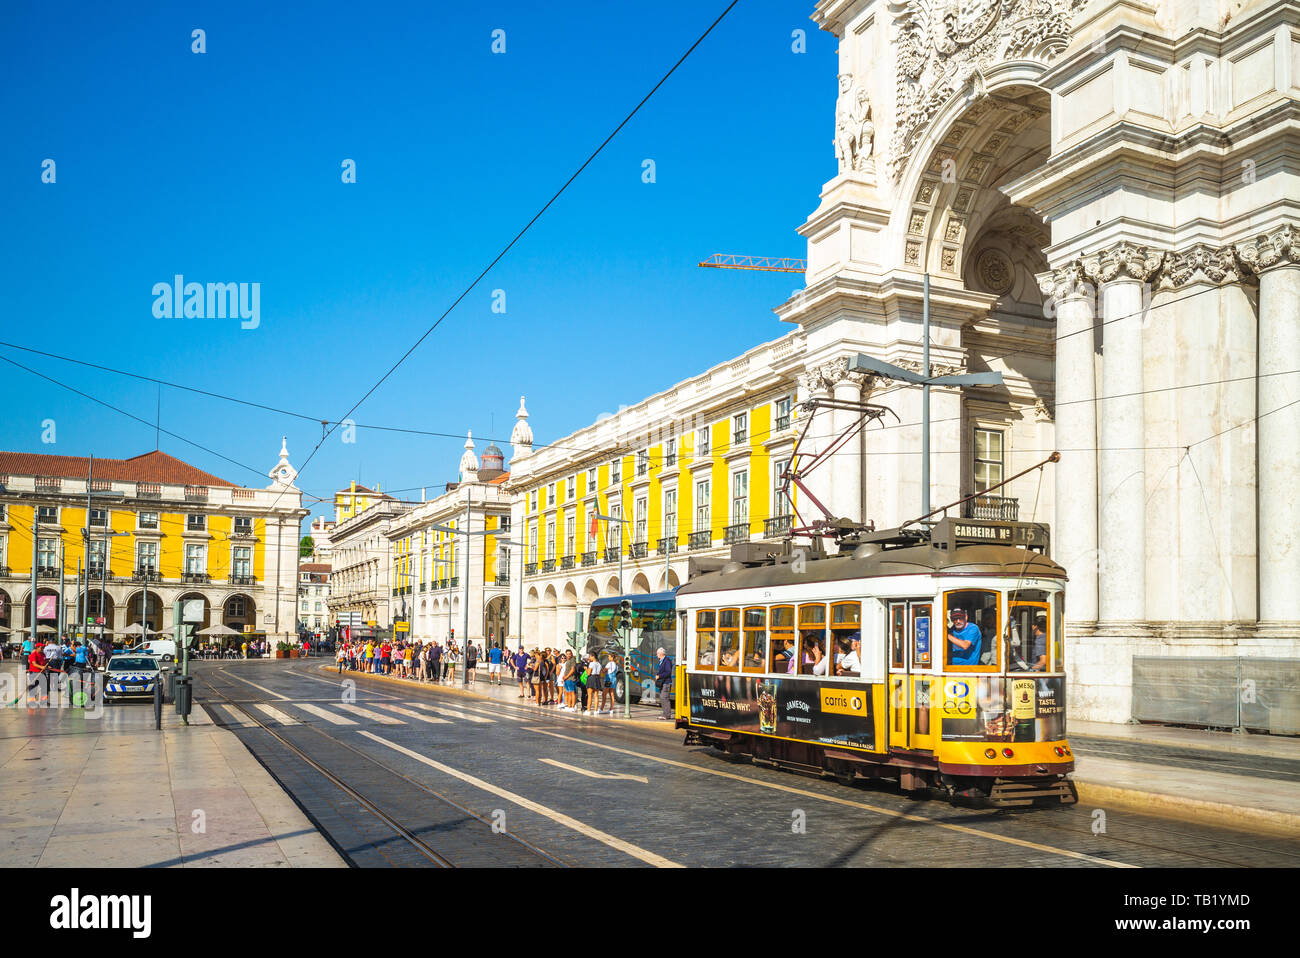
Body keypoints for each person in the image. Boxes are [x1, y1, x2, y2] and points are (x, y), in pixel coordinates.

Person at [654, 646, 674, 721]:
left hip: (666, 683)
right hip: (663, 683)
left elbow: (668, 672)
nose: (657, 655)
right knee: (663, 698)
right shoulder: (662, 661)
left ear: (661, 654)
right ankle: (664, 714)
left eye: (657, 654)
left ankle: (667, 715)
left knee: (664, 698)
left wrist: (659, 676)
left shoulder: (667, 661)